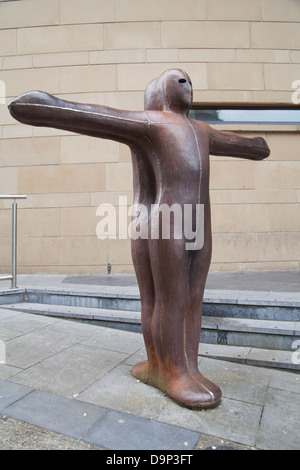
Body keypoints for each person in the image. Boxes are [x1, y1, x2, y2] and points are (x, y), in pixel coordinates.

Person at [9, 68, 270, 409]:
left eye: (188, 79)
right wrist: (46, 106)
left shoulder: (202, 130)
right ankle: (169, 370)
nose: (186, 84)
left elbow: (254, 147)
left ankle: (182, 367)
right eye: (178, 79)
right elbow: (96, 117)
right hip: (163, 223)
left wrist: (256, 145)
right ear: (160, 91)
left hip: (195, 225)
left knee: (191, 297)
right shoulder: (152, 122)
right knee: (167, 298)